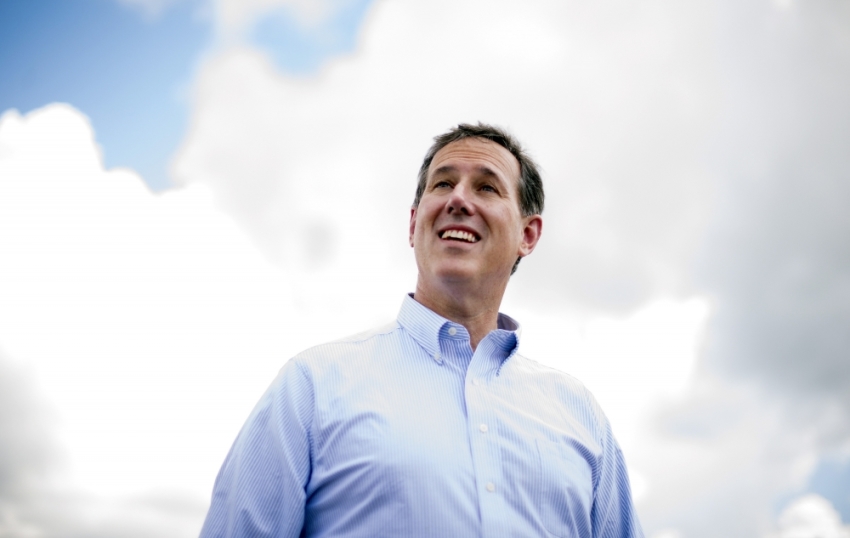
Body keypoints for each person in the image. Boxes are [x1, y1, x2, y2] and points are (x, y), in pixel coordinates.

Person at [199, 123, 644, 537]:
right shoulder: (312, 385)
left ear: (528, 234)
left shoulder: (580, 414)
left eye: (486, 187)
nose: (459, 199)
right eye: (443, 183)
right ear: (414, 224)